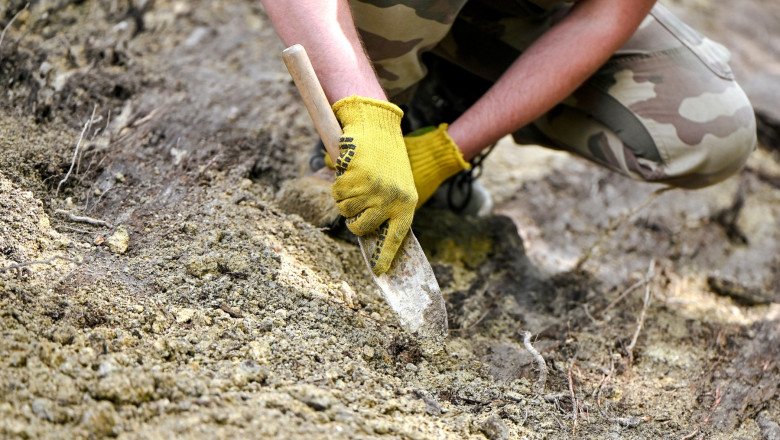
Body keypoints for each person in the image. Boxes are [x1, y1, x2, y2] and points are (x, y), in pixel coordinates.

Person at [261, 0, 757, 276]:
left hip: (524, 15)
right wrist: (365, 111)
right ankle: (380, 112)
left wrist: (448, 150)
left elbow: (603, 16)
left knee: (714, 130)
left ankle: (441, 106)